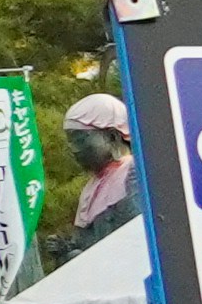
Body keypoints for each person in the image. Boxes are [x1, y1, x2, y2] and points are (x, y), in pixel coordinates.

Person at [56, 91, 144, 260]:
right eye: (71, 142)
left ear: (112, 136)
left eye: (80, 140)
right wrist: (66, 250)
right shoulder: (91, 188)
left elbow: (134, 238)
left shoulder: (134, 174)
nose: (73, 149)